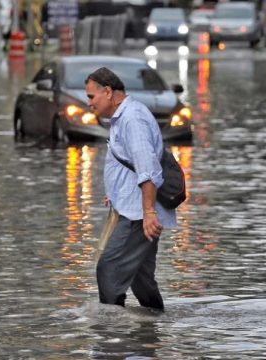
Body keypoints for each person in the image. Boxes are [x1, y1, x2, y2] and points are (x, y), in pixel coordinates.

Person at [85, 67, 177, 311]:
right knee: (140, 278)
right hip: (135, 208)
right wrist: (114, 191)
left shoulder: (132, 119)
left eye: (91, 97)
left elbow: (148, 168)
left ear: (108, 92)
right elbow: (129, 162)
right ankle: (154, 325)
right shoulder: (123, 117)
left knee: (109, 269)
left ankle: (112, 335)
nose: (89, 104)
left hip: (138, 214)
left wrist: (148, 212)